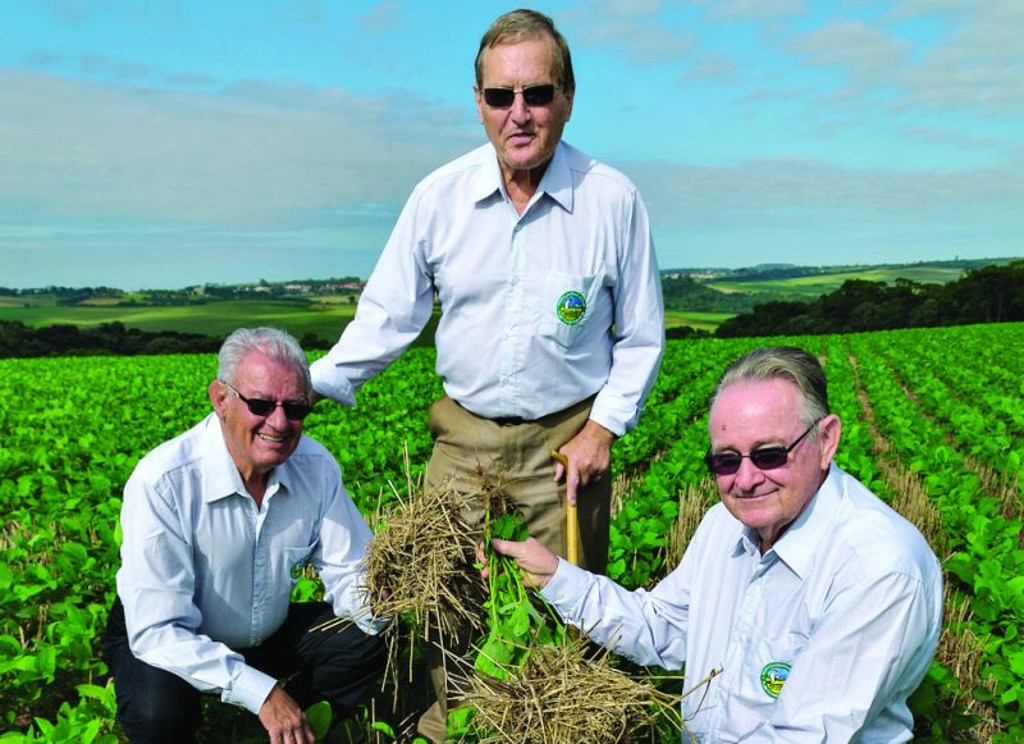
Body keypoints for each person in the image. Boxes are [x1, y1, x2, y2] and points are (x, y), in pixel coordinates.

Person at [312, 10, 664, 738]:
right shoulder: (438, 198)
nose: (519, 113)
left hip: (564, 445)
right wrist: (303, 387)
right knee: (443, 611)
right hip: (461, 445)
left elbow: (640, 336)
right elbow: (388, 317)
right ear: (478, 101)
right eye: (501, 97)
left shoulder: (611, 200)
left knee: (566, 610)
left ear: (568, 96)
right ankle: (452, 729)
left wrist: (603, 429)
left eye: (537, 93)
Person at [492, 346, 944, 742]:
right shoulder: (722, 525)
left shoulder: (876, 567)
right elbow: (663, 629)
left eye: (770, 454)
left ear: (826, 440)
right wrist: (553, 575)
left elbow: (802, 736)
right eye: (726, 460)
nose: (745, 480)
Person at [101, 327, 387, 744]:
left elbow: (352, 573)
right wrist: (263, 692)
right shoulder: (164, 481)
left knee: (368, 640)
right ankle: (260, 710)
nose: (279, 423)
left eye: (295, 409)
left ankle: (276, 732)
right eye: (260, 404)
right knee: (156, 714)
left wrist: (393, 600)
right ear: (220, 399)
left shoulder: (316, 467)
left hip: (263, 632)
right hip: (169, 635)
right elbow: (159, 631)